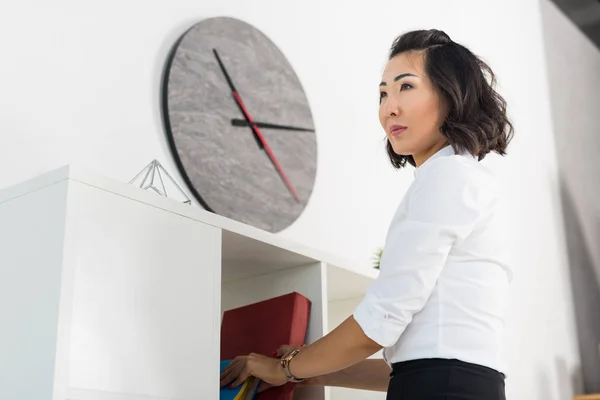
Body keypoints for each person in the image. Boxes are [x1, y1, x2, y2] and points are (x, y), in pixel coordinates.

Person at [220, 28, 514, 399]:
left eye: (406, 87)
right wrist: (302, 371)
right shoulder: (466, 179)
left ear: (452, 94)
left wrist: (285, 366)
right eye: (383, 93)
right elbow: (410, 367)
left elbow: (384, 317)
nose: (389, 107)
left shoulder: (447, 176)